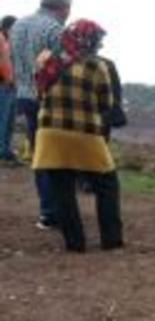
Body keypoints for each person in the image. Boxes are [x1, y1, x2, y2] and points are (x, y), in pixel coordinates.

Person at [31, 19, 123, 253]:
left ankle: (75, 244)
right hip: (85, 133)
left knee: (62, 189)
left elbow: (39, 93)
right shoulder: (97, 66)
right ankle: (111, 240)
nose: (99, 45)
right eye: (97, 40)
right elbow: (106, 104)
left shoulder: (46, 60)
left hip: (50, 134)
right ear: (89, 41)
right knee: (107, 184)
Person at [10, 0, 72, 229]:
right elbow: (64, 67)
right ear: (64, 8)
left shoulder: (18, 25)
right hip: (50, 98)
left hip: (24, 95)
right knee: (57, 156)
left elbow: (14, 60)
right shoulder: (55, 29)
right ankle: (57, 211)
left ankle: (47, 212)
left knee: (40, 153)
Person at [0, 16, 18, 166]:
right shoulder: (1, 39)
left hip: (9, 84)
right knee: (4, 119)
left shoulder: (7, 41)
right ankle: (3, 152)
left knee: (8, 120)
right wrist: (7, 79)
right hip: (4, 85)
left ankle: (6, 150)